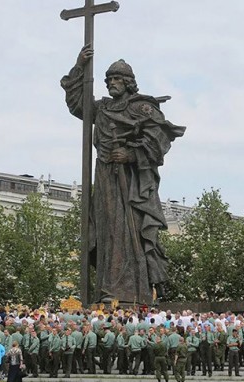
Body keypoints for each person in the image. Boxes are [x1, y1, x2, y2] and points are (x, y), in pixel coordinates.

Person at [61, 44, 186, 304]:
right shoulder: (103, 109)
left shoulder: (140, 108)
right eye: (108, 79)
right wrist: (79, 67)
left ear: (129, 82)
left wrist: (131, 154)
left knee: (127, 233)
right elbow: (77, 105)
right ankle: (109, 287)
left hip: (129, 180)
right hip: (105, 174)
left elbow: (160, 138)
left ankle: (130, 292)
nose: (111, 83)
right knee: (105, 231)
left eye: (117, 79)